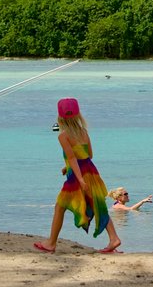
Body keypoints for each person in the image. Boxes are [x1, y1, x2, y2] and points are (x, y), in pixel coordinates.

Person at [34, 98, 122, 254]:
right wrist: (66, 167)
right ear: (78, 115)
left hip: (78, 176)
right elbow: (88, 155)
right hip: (91, 171)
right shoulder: (84, 132)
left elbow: (73, 158)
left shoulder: (63, 136)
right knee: (97, 204)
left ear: (60, 117)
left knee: (60, 206)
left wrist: (80, 179)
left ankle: (51, 243)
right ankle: (114, 237)